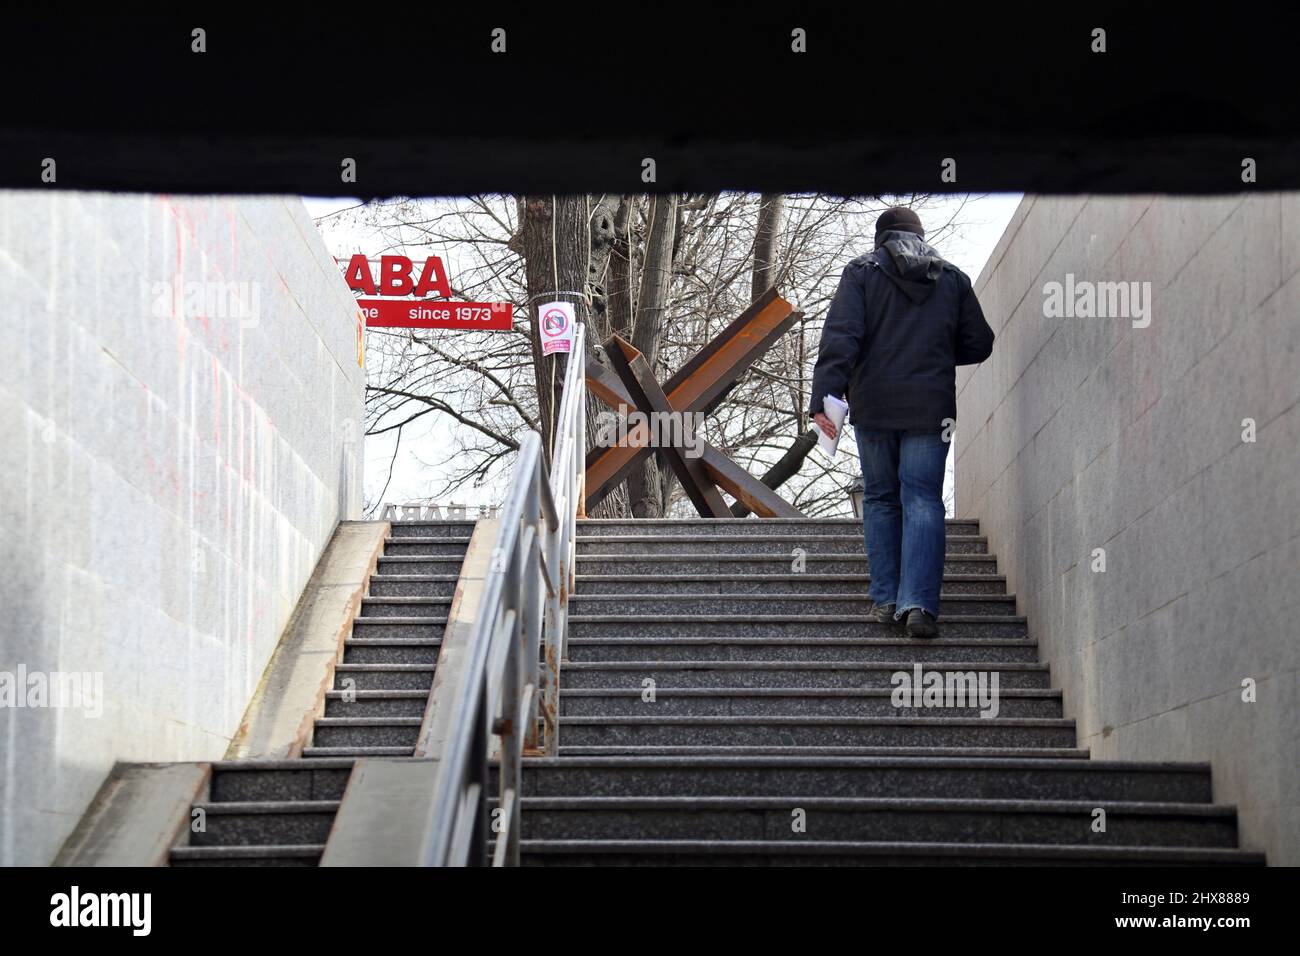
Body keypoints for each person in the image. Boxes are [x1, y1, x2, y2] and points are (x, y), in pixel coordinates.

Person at [809, 207, 994, 639]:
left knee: (879, 498)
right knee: (924, 499)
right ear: (921, 236)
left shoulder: (861, 273)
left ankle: (886, 598)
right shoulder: (952, 279)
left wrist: (825, 399)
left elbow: (841, 337)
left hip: (874, 404)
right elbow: (979, 342)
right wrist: (935, 353)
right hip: (931, 407)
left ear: (881, 238)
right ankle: (920, 606)